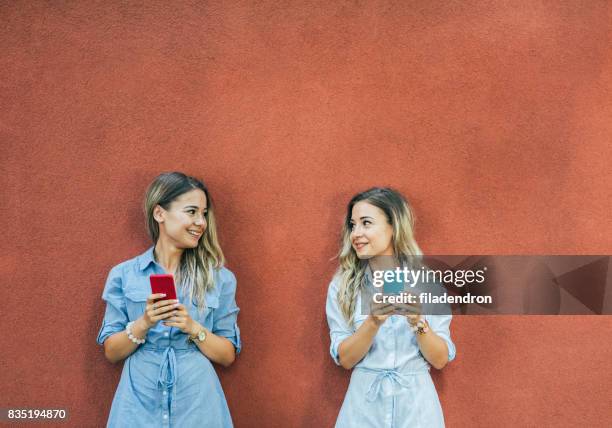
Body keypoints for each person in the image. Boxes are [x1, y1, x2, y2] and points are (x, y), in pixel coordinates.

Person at [96, 172, 241, 428]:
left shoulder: (220, 279)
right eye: (191, 211)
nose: (201, 222)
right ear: (159, 213)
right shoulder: (124, 275)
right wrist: (144, 322)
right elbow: (112, 352)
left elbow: (227, 355)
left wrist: (192, 327)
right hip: (138, 401)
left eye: (204, 214)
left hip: (198, 403)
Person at [326, 187, 456, 427]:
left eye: (366, 223)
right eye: (353, 225)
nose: (356, 233)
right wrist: (373, 322)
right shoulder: (342, 287)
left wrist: (419, 322)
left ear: (393, 227)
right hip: (363, 406)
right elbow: (345, 359)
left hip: (417, 408)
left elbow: (439, 360)